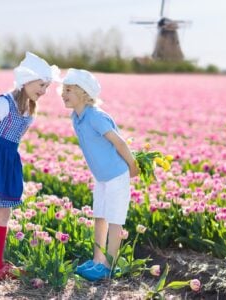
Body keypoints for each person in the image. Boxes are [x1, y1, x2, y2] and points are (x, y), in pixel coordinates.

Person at [0, 52, 59, 282]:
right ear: (26, 80)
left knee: (4, 213)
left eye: (47, 86)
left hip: (8, 160)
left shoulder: (30, 109)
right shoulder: (4, 102)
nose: (43, 90)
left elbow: (15, 140)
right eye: (41, 84)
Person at [60, 68, 140, 281]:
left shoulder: (96, 116)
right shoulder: (76, 117)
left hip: (115, 175)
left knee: (114, 219)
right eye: (63, 89)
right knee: (100, 216)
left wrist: (133, 166)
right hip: (101, 177)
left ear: (84, 93)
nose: (63, 93)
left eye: (68, 89)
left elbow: (119, 141)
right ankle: (97, 260)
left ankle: (109, 266)